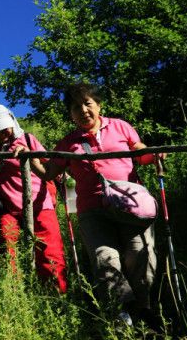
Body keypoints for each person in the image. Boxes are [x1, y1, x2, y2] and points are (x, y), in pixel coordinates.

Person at [24, 83, 159, 326]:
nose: (83, 110)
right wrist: (29, 155)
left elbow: (139, 152)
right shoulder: (68, 143)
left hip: (130, 204)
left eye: (88, 103)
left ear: (98, 106)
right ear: (71, 114)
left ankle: (143, 311)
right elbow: (48, 172)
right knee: (104, 260)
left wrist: (155, 154)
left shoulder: (120, 126)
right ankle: (123, 313)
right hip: (92, 211)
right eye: (76, 107)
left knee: (139, 257)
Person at [0, 104, 67, 293]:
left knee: (49, 249)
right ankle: (11, 292)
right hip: (7, 207)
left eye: (6, 126)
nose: (3, 131)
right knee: (6, 247)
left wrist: (30, 157)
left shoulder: (28, 139)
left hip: (39, 203)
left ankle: (54, 293)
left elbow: (49, 167)